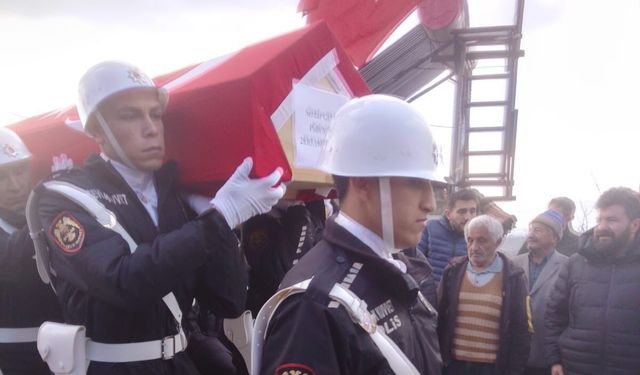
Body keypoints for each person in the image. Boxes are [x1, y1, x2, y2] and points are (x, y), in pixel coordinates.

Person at [31, 61, 285, 374]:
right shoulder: (64, 196)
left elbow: (228, 300)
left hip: (180, 361)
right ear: (97, 130)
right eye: (130, 115)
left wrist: (219, 224)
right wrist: (219, 218)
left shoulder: (175, 195)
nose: (151, 127)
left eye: (155, 114)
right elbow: (123, 281)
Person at [258, 94, 443, 374]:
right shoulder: (313, 306)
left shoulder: (397, 268)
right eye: (416, 183)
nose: (431, 203)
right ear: (363, 184)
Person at [545, 187, 640, 375]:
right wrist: (555, 360)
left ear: (635, 225)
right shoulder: (576, 263)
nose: (602, 227)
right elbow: (554, 314)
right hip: (575, 368)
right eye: (599, 219)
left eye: (612, 220)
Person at [0, 128, 63, 374]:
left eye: (19, 171)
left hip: (67, 350)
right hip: (13, 359)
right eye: (2, 177)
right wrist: (54, 206)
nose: (15, 185)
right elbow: (13, 259)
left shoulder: (41, 211)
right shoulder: (45, 213)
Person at [437, 215, 531, 375]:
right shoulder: (453, 271)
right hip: (453, 366)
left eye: (482, 240)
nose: (474, 247)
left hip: (492, 368)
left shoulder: (513, 277)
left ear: (498, 242)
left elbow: (521, 329)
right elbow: (438, 318)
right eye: (470, 240)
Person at [513, 210, 568, 375]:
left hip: (549, 357)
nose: (531, 234)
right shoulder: (514, 263)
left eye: (538, 230)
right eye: (530, 229)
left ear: (555, 238)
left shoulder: (568, 266)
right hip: (515, 354)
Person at [417, 189, 479, 285]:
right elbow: (415, 262)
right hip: (430, 294)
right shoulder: (430, 228)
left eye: (472, 211)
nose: (468, 217)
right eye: (462, 212)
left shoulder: (478, 236)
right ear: (448, 214)